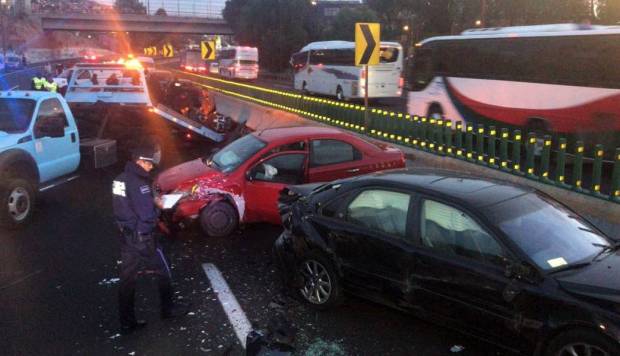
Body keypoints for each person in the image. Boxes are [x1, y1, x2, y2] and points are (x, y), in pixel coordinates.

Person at [112, 145, 188, 335]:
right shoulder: (140, 184)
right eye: (149, 164)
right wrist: (159, 207)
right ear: (139, 160)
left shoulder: (120, 179)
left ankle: (127, 322)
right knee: (164, 271)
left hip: (126, 237)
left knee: (127, 280)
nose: (151, 167)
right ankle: (168, 310)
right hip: (143, 239)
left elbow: (126, 206)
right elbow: (147, 215)